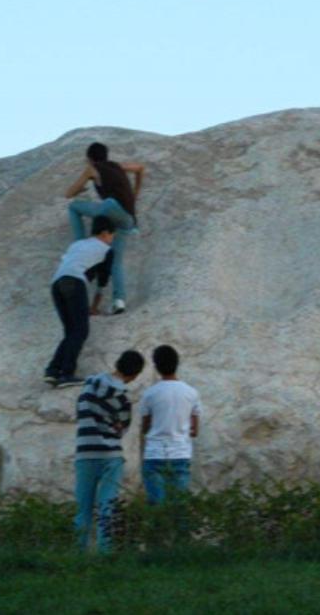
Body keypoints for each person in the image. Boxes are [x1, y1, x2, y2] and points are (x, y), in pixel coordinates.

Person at [73, 349, 146, 552]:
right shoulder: (122, 399)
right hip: (111, 455)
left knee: (83, 509)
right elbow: (122, 427)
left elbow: (79, 412)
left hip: (85, 453)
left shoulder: (88, 386)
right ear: (134, 374)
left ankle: (79, 553)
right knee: (107, 507)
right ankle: (106, 553)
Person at [65, 142, 145, 315]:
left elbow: (68, 193)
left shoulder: (92, 169)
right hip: (128, 219)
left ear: (90, 159)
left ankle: (80, 243)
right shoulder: (118, 166)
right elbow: (140, 168)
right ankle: (119, 301)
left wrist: (80, 190)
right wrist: (135, 194)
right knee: (115, 261)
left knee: (74, 207)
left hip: (111, 208)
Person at [45, 215, 116, 388]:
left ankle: (53, 371)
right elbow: (103, 280)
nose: (112, 240)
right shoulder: (106, 250)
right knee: (81, 330)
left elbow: (69, 263)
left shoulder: (77, 244)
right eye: (112, 235)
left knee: (70, 331)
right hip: (75, 283)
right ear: (105, 233)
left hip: (56, 284)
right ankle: (67, 373)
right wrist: (94, 306)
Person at [139, 345, 202, 505]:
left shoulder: (149, 394)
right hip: (180, 453)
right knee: (179, 507)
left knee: (156, 508)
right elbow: (195, 431)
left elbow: (145, 428)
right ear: (177, 363)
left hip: (154, 454)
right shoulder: (191, 393)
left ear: (156, 366)